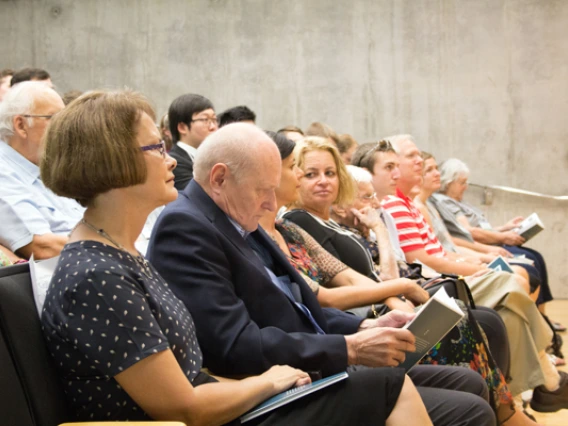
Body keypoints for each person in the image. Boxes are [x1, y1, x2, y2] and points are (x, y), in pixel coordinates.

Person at [40, 89, 423, 426]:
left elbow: (192, 375)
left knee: (403, 386)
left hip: (227, 404)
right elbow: (186, 408)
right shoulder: (97, 275)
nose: (172, 159)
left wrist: (282, 378)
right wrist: (268, 381)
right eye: (156, 147)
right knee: (390, 386)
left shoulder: (118, 256)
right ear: (112, 161)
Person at [148, 123, 497, 426]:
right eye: (263, 189)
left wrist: (362, 327)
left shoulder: (233, 213)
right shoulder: (187, 226)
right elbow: (235, 345)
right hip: (281, 384)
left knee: (469, 383)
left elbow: (298, 306)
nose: (272, 203)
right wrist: (349, 348)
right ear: (220, 178)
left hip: (315, 361)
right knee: (467, 410)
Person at [379, 134, 568, 410]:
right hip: (432, 283)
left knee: (508, 313)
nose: (420, 163)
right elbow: (426, 260)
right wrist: (478, 265)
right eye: (410, 158)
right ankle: (546, 357)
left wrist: (479, 263)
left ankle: (521, 398)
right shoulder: (394, 205)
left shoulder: (410, 204)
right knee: (514, 281)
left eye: (424, 159)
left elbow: (445, 250)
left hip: (436, 277)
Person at [259, 131, 427, 315]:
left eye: (330, 173)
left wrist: (394, 297)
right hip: (340, 324)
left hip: (358, 315)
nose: (299, 174)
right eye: (307, 173)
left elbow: (347, 276)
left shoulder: (287, 228)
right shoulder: (292, 221)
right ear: (269, 176)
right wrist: (400, 288)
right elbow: (323, 297)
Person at [433, 158, 555, 313]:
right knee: (528, 265)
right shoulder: (442, 203)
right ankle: (538, 316)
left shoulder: (459, 202)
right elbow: (469, 233)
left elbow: (475, 230)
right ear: (448, 182)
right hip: (475, 251)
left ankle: (540, 317)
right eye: (462, 182)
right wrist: (497, 242)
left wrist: (504, 229)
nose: (466, 186)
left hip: (478, 250)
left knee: (535, 258)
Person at [0, 81, 83, 259]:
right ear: (21, 125)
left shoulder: (42, 165)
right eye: (56, 119)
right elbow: (42, 246)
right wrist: (115, 249)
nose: (65, 128)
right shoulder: (3, 172)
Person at [167, 93, 218, 190]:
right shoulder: (175, 163)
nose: (213, 127)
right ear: (182, 127)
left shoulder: (213, 156)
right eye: (205, 119)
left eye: (214, 119)